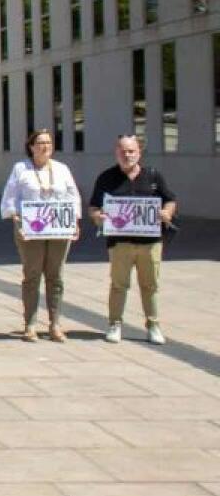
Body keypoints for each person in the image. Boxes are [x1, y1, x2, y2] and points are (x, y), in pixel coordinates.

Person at [88, 134, 177, 345]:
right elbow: (93, 207)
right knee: (119, 284)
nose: (127, 155)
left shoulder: (153, 176)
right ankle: (115, 324)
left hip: (150, 242)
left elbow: (170, 200)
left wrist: (167, 213)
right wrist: (97, 217)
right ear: (116, 152)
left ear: (139, 152)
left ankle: (153, 325)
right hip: (120, 243)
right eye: (123, 151)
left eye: (131, 151)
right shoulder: (106, 177)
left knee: (150, 285)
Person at [0, 129, 81, 343]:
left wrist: (75, 221)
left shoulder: (62, 169)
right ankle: (31, 324)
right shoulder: (21, 169)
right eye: (40, 143)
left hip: (58, 230)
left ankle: (55, 324)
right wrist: (15, 216)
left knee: (56, 276)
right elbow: (10, 197)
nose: (45, 146)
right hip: (31, 230)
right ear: (31, 147)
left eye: (48, 143)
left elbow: (73, 196)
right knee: (32, 275)